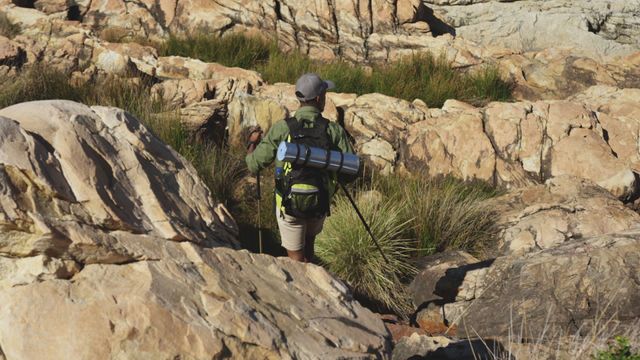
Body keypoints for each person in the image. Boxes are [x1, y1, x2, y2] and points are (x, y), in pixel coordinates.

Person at [245, 73, 355, 263]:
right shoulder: (333, 130)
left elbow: (253, 164)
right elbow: (350, 170)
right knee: (309, 244)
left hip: (289, 205)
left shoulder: (282, 128)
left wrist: (251, 144)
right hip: (319, 202)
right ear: (319, 99)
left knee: (295, 260)